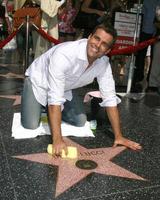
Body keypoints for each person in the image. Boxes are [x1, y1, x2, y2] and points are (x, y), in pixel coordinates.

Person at [21, 23, 142, 157]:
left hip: (64, 87)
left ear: (107, 51)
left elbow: (110, 99)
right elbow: (54, 99)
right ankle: (36, 100)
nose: (97, 45)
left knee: (80, 121)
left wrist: (119, 136)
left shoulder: (103, 64)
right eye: (96, 38)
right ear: (89, 37)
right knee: (30, 125)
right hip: (38, 81)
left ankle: (46, 110)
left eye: (104, 44)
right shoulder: (65, 54)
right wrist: (57, 140)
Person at [133, 0, 160, 92]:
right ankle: (139, 77)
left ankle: (151, 80)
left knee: (155, 57)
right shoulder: (146, 1)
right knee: (141, 55)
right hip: (145, 31)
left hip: (157, 32)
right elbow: (141, 16)